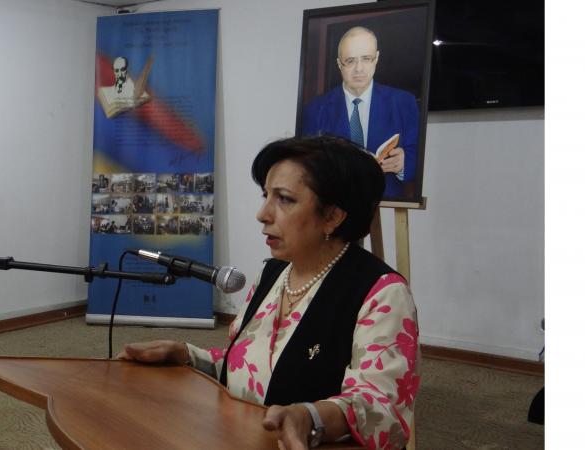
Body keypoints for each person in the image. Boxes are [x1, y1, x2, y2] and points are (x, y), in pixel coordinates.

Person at [118, 136, 419, 449]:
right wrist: (186, 355)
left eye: (284, 199)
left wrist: (312, 417)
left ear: (332, 216)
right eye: (266, 196)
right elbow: (251, 370)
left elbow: (383, 408)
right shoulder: (274, 273)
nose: (262, 213)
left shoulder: (382, 292)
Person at [302, 27, 419, 199]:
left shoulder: (403, 102)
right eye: (350, 61)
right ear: (339, 64)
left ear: (376, 59)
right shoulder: (315, 109)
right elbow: (305, 165)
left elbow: (418, 153)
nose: (359, 69)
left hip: (387, 200)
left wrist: (404, 163)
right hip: (335, 201)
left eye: (366, 59)